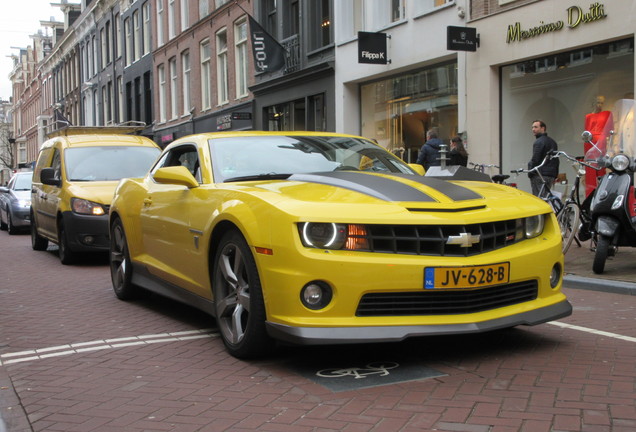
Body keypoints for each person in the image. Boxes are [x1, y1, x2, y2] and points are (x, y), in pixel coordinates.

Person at [583, 95, 613, 196]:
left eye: (602, 103)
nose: (600, 105)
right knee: (590, 167)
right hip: (590, 141)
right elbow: (586, 131)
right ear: (594, 103)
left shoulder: (607, 114)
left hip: (602, 141)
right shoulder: (588, 116)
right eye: (598, 102)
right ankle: (590, 193)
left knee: (601, 166)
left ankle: (602, 192)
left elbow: (610, 129)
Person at [528, 120, 559, 197]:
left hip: (540, 174)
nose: (533, 129)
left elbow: (535, 159)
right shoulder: (552, 142)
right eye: (532, 127)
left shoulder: (539, 142)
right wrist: (555, 174)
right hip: (550, 175)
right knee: (546, 197)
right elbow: (556, 159)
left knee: (539, 199)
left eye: (536, 127)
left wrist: (530, 171)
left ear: (543, 128)